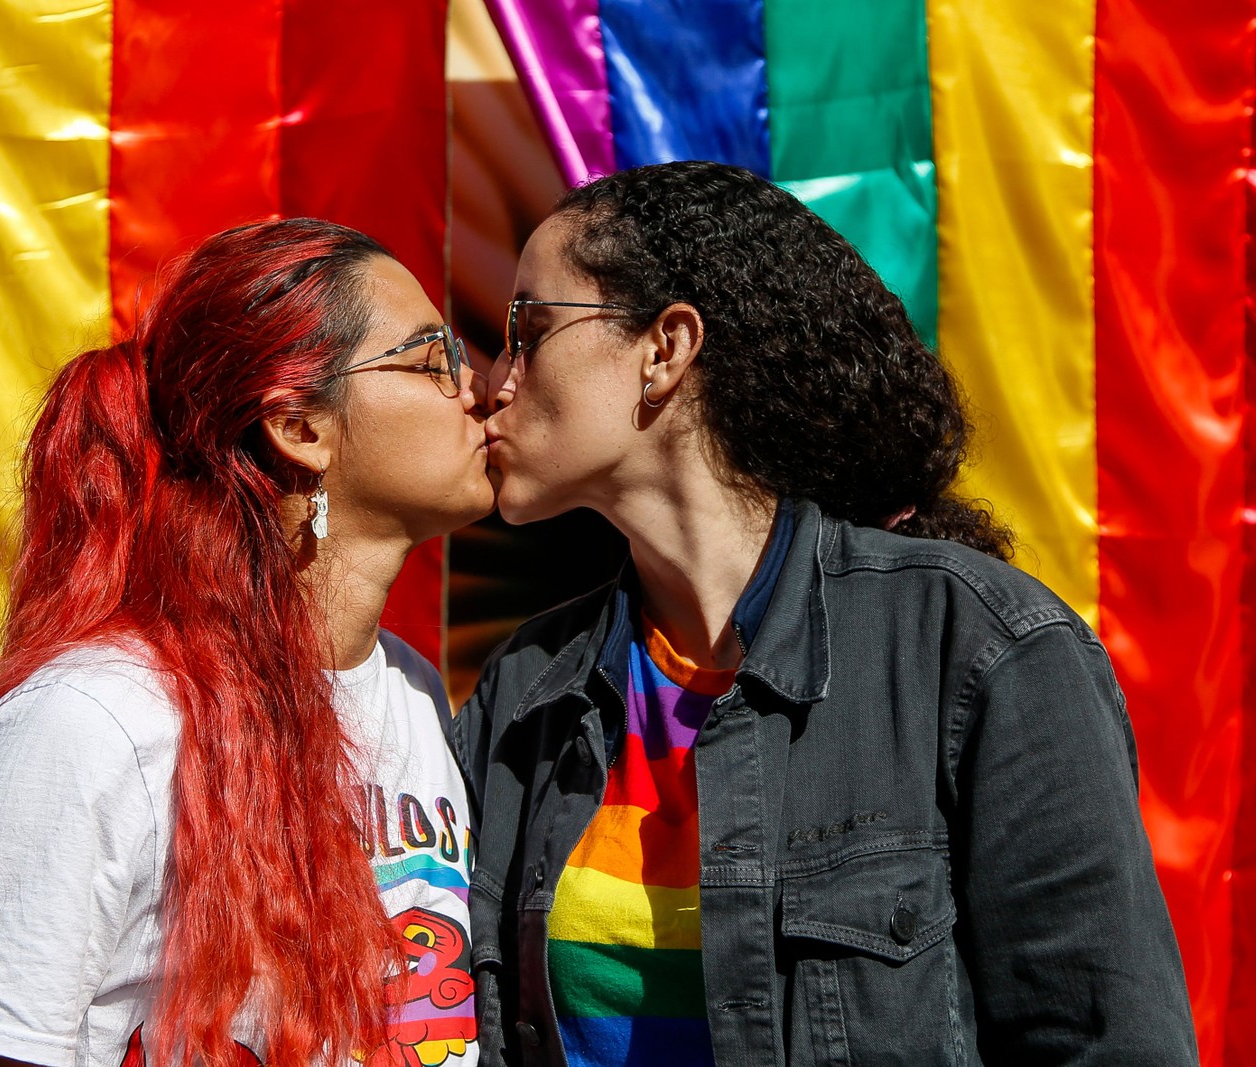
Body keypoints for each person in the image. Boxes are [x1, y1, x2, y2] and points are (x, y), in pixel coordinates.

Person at [456, 161, 1198, 1066]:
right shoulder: (522, 696)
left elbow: (1105, 1040)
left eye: (527, 329)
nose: (494, 380)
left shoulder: (978, 646)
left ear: (667, 347)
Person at [0, 219, 489, 1067]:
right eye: (432, 355)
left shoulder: (414, 691)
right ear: (301, 428)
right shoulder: (92, 719)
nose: (480, 385)